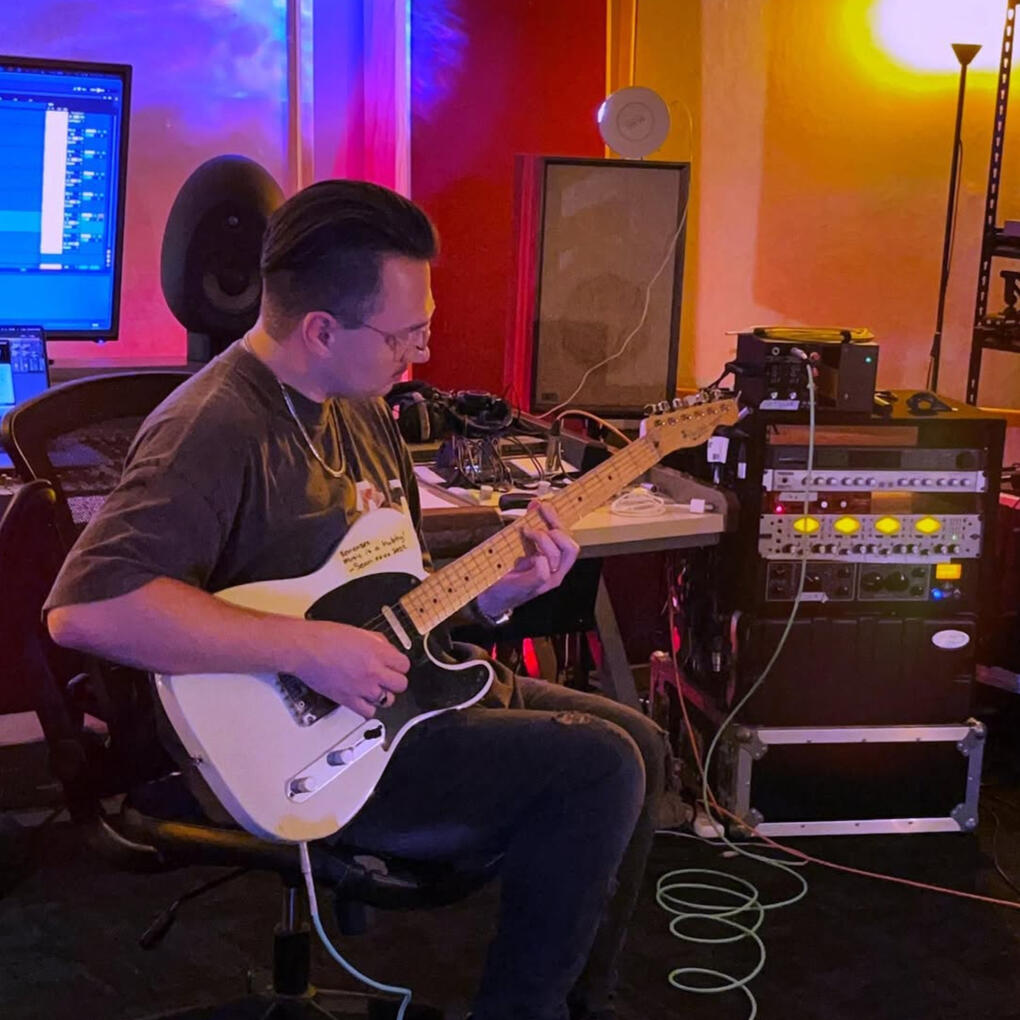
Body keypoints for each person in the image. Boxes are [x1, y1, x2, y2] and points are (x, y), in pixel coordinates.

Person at [45, 179, 668, 1020]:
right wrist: (305, 650)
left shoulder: (361, 406)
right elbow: (88, 609)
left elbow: (392, 597)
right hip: (282, 736)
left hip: (379, 696)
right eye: (405, 334)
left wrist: (495, 599)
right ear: (321, 329)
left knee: (641, 739)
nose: (419, 351)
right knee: (597, 766)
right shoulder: (215, 426)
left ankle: (575, 1005)